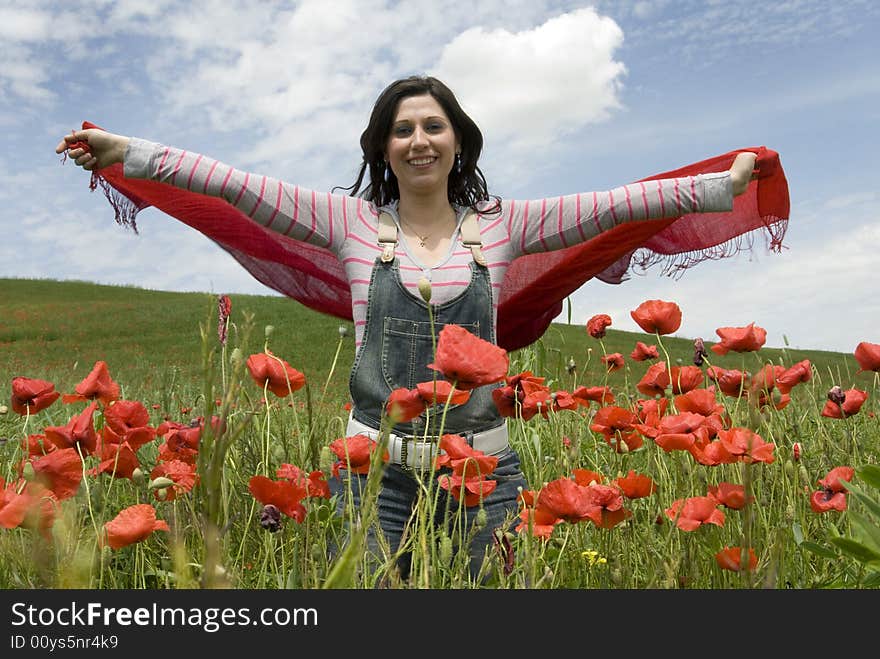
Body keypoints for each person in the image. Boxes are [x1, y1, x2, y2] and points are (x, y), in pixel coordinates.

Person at [55, 75, 759, 584]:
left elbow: (616, 205)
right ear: (383, 148)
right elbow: (235, 184)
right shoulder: (354, 226)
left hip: (485, 474)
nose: (418, 140)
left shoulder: (504, 227)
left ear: (458, 141)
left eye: (432, 125)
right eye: (402, 129)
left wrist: (717, 188)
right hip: (371, 477)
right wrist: (130, 151)